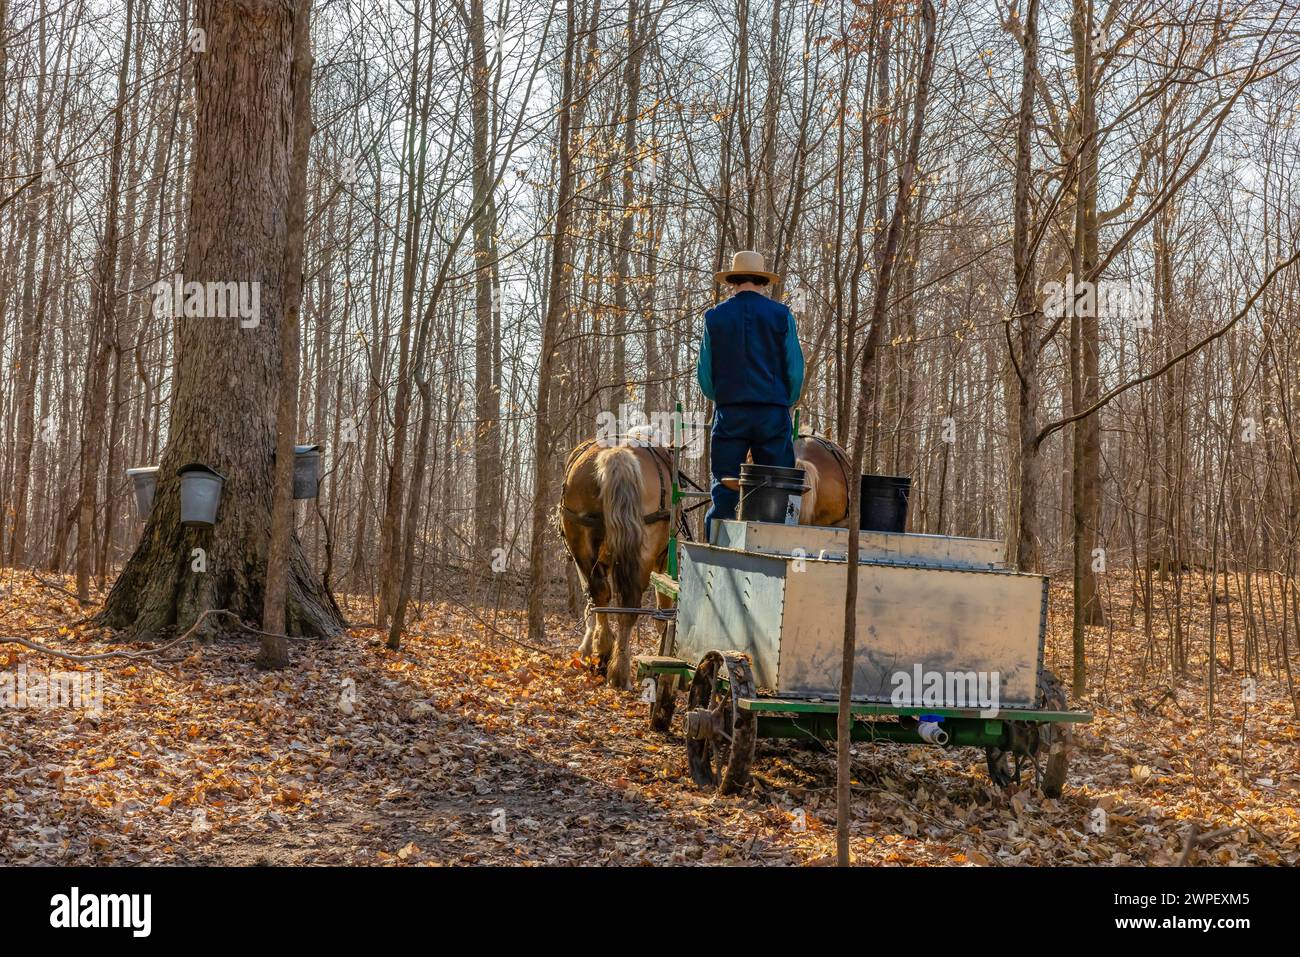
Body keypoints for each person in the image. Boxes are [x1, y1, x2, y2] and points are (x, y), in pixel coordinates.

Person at [696, 250, 804, 540]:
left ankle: (717, 556)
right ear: (762, 282)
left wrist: (723, 397)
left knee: (724, 490)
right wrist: (785, 400)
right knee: (778, 487)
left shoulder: (715, 317)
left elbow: (705, 377)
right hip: (772, 413)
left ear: (732, 282)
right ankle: (776, 551)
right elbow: (794, 369)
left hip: (730, 413)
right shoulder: (781, 315)